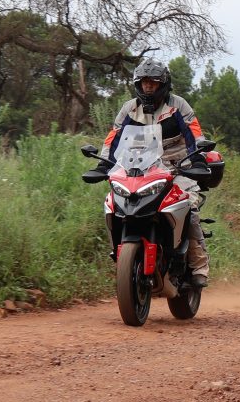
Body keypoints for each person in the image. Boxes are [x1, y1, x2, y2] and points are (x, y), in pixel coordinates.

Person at [84, 59, 211, 287]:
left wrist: (198, 159)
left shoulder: (179, 106)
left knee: (189, 206)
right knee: (115, 204)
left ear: (163, 84)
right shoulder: (129, 108)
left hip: (178, 166)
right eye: (144, 83)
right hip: (141, 167)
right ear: (138, 85)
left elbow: (195, 134)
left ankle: (198, 264)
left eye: (153, 83)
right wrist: (104, 165)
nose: (148, 87)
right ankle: (120, 252)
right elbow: (113, 139)